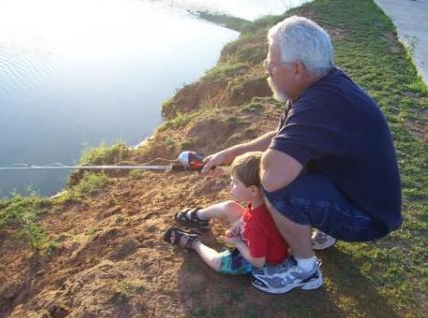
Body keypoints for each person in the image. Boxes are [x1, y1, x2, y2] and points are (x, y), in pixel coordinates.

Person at [201, 16, 402, 294]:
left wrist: (249, 171)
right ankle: (324, 228)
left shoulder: (319, 104)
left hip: (367, 219)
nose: (267, 71)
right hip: (364, 198)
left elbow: (272, 176)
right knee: (289, 163)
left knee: (276, 187)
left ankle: (304, 269)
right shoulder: (322, 85)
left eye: (270, 64)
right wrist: (231, 153)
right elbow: (283, 137)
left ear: (297, 68)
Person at [164, 152, 310, 284]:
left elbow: (258, 261)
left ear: (253, 190)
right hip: (259, 238)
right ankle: (199, 217)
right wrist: (240, 223)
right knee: (229, 206)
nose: (230, 185)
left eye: (234, 182)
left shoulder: (256, 224)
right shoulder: (265, 201)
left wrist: (238, 242)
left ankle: (194, 243)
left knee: (217, 262)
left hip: (261, 260)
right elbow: (254, 220)